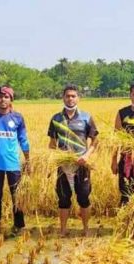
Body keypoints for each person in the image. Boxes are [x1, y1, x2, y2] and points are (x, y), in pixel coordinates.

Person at [47, 84, 98, 236]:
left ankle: (86, 228)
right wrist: (56, 158)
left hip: (81, 165)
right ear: (63, 98)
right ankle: (63, 230)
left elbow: (95, 141)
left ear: (78, 98)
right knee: (63, 198)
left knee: (83, 196)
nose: (70, 98)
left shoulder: (86, 117)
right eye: (67, 96)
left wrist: (86, 156)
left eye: (73, 96)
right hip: (63, 166)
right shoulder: (56, 119)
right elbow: (52, 143)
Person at [0, 85, 30, 237]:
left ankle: (19, 225)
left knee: (17, 195)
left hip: (13, 164)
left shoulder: (17, 118)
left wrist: (28, 161)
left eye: (6, 97)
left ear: (11, 99)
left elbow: (23, 140)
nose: (3, 100)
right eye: (0, 97)